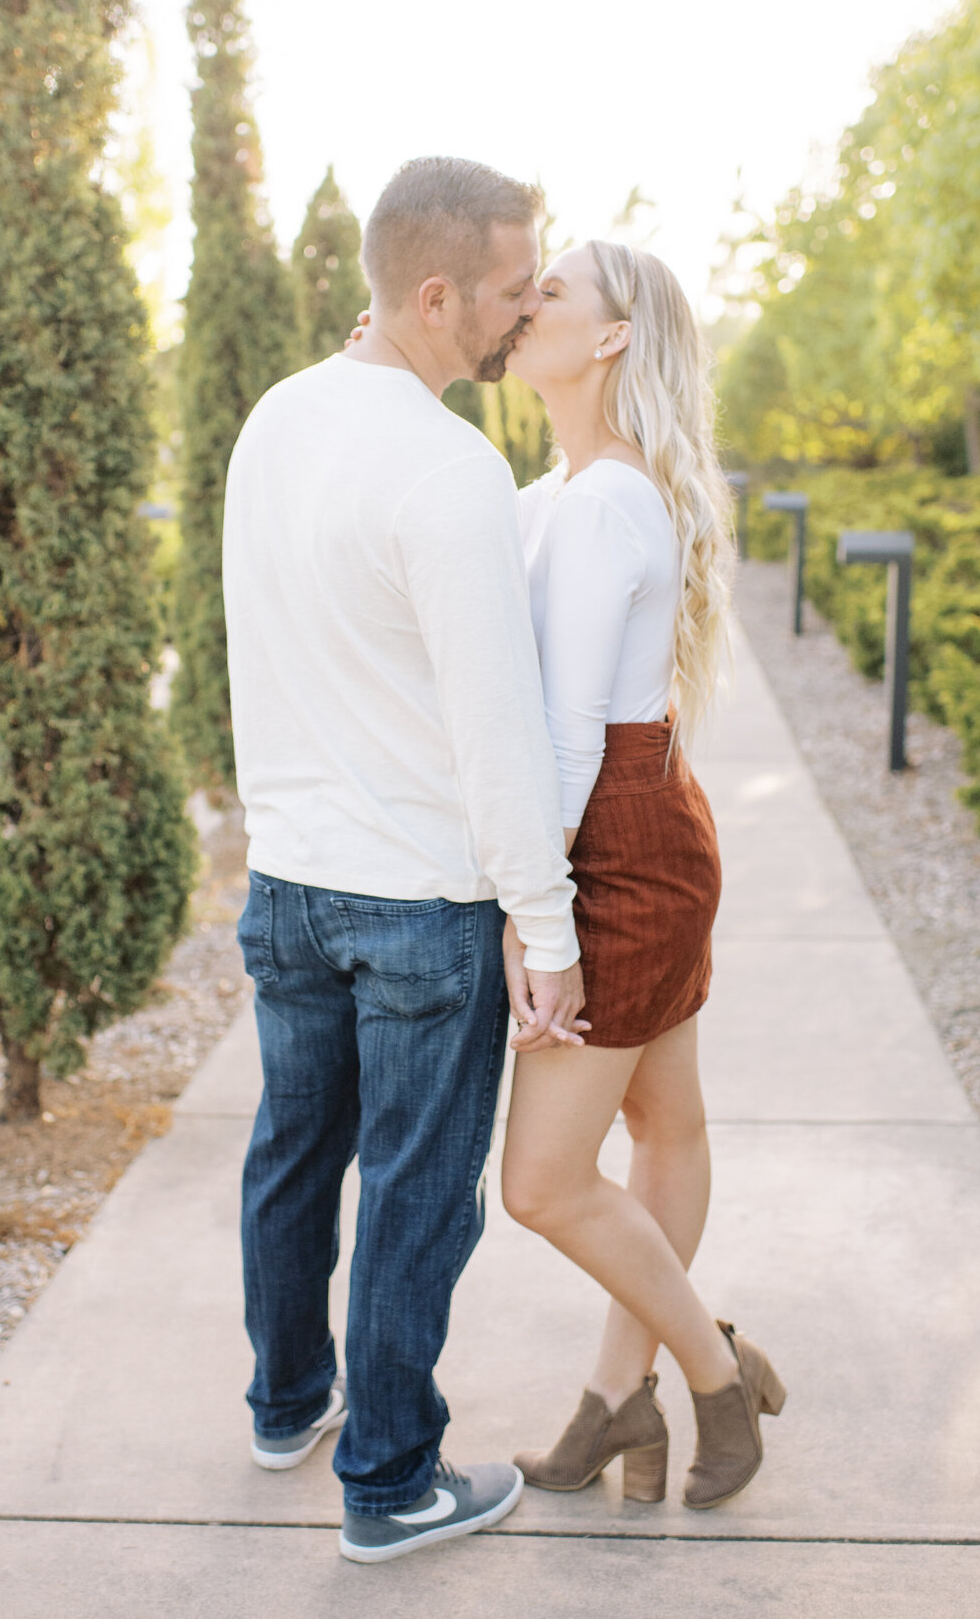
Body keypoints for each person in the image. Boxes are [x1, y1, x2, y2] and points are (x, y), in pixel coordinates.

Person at [222, 157, 585, 1566]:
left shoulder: (275, 419)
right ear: (434, 295)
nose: (527, 309)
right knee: (419, 1191)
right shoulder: (450, 467)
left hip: (290, 883)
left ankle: (285, 1401)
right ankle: (389, 1481)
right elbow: (495, 731)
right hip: (422, 904)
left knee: (293, 1151)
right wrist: (543, 927)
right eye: (508, 289)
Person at [499, 241, 786, 1509]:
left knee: (542, 1182)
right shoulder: (564, 488)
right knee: (666, 1129)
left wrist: (533, 911)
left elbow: (563, 733)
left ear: (611, 337)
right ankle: (621, 1404)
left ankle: (711, 1372)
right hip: (645, 821)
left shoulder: (607, 498)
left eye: (550, 290)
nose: (525, 303)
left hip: (614, 841)